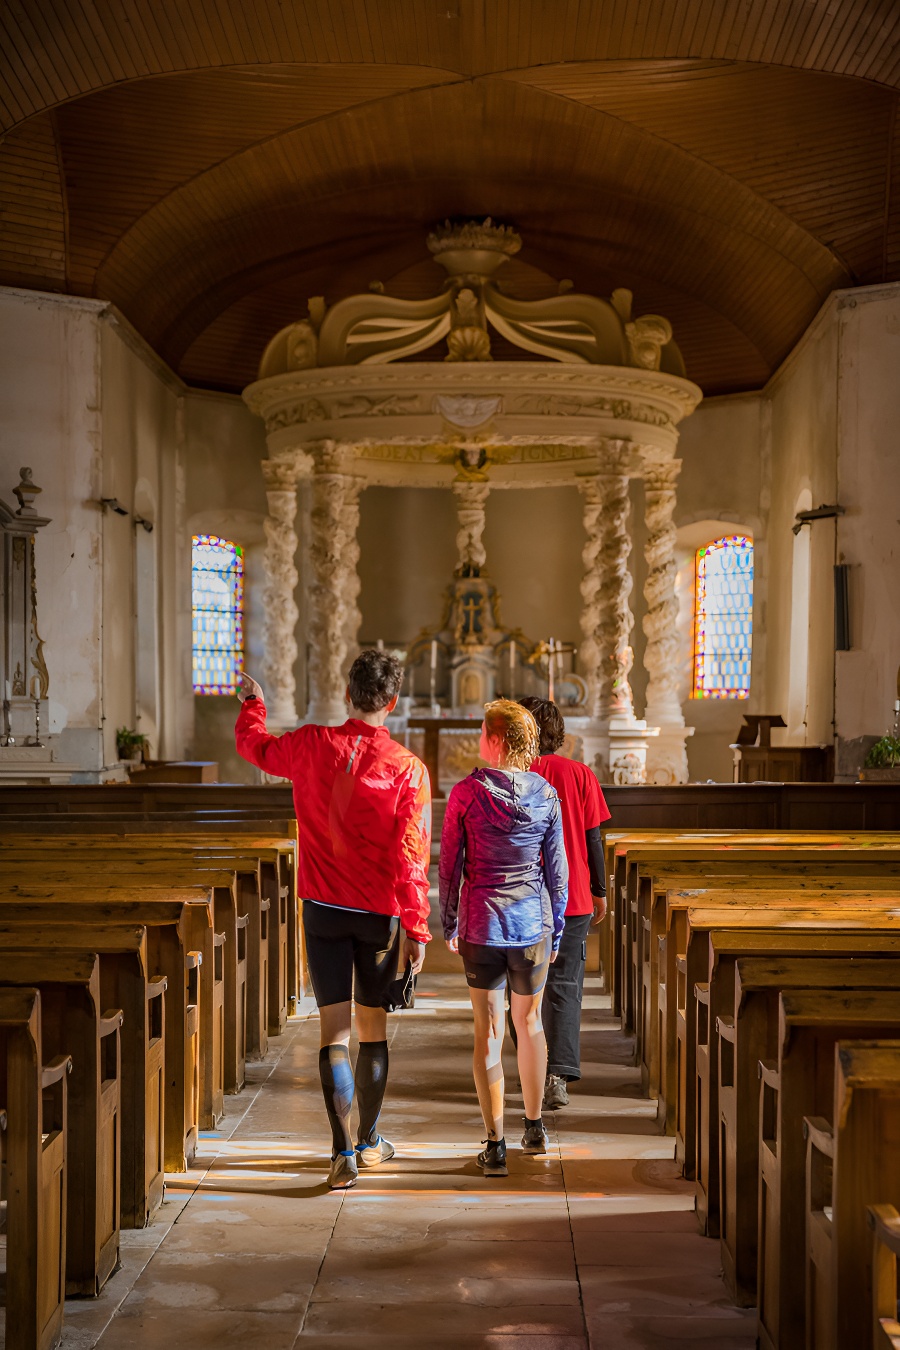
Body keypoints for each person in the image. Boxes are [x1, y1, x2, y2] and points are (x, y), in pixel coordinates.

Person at [235, 650, 432, 1190]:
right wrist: (417, 928)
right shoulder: (407, 768)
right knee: (373, 1029)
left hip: (321, 906)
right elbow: (413, 855)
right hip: (378, 914)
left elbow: (255, 747)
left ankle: (341, 1152)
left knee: (333, 1031)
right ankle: (368, 1142)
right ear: (391, 703)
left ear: (348, 694)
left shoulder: (306, 744)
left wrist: (254, 705)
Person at [439, 699, 568, 1176]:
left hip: (482, 923)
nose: (477, 739)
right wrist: (555, 931)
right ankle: (533, 1127)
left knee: (489, 1031)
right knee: (530, 1025)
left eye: (481, 731)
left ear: (496, 740)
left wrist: (449, 921)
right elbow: (558, 873)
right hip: (530, 923)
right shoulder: (548, 795)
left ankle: (495, 1144)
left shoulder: (466, 794)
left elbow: (449, 865)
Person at [518, 697, 611, 1110]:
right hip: (572, 897)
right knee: (566, 985)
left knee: (521, 985)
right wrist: (600, 889)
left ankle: (530, 1068)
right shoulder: (579, 774)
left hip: (520, 895)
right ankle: (558, 1076)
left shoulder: (515, 774)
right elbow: (593, 838)